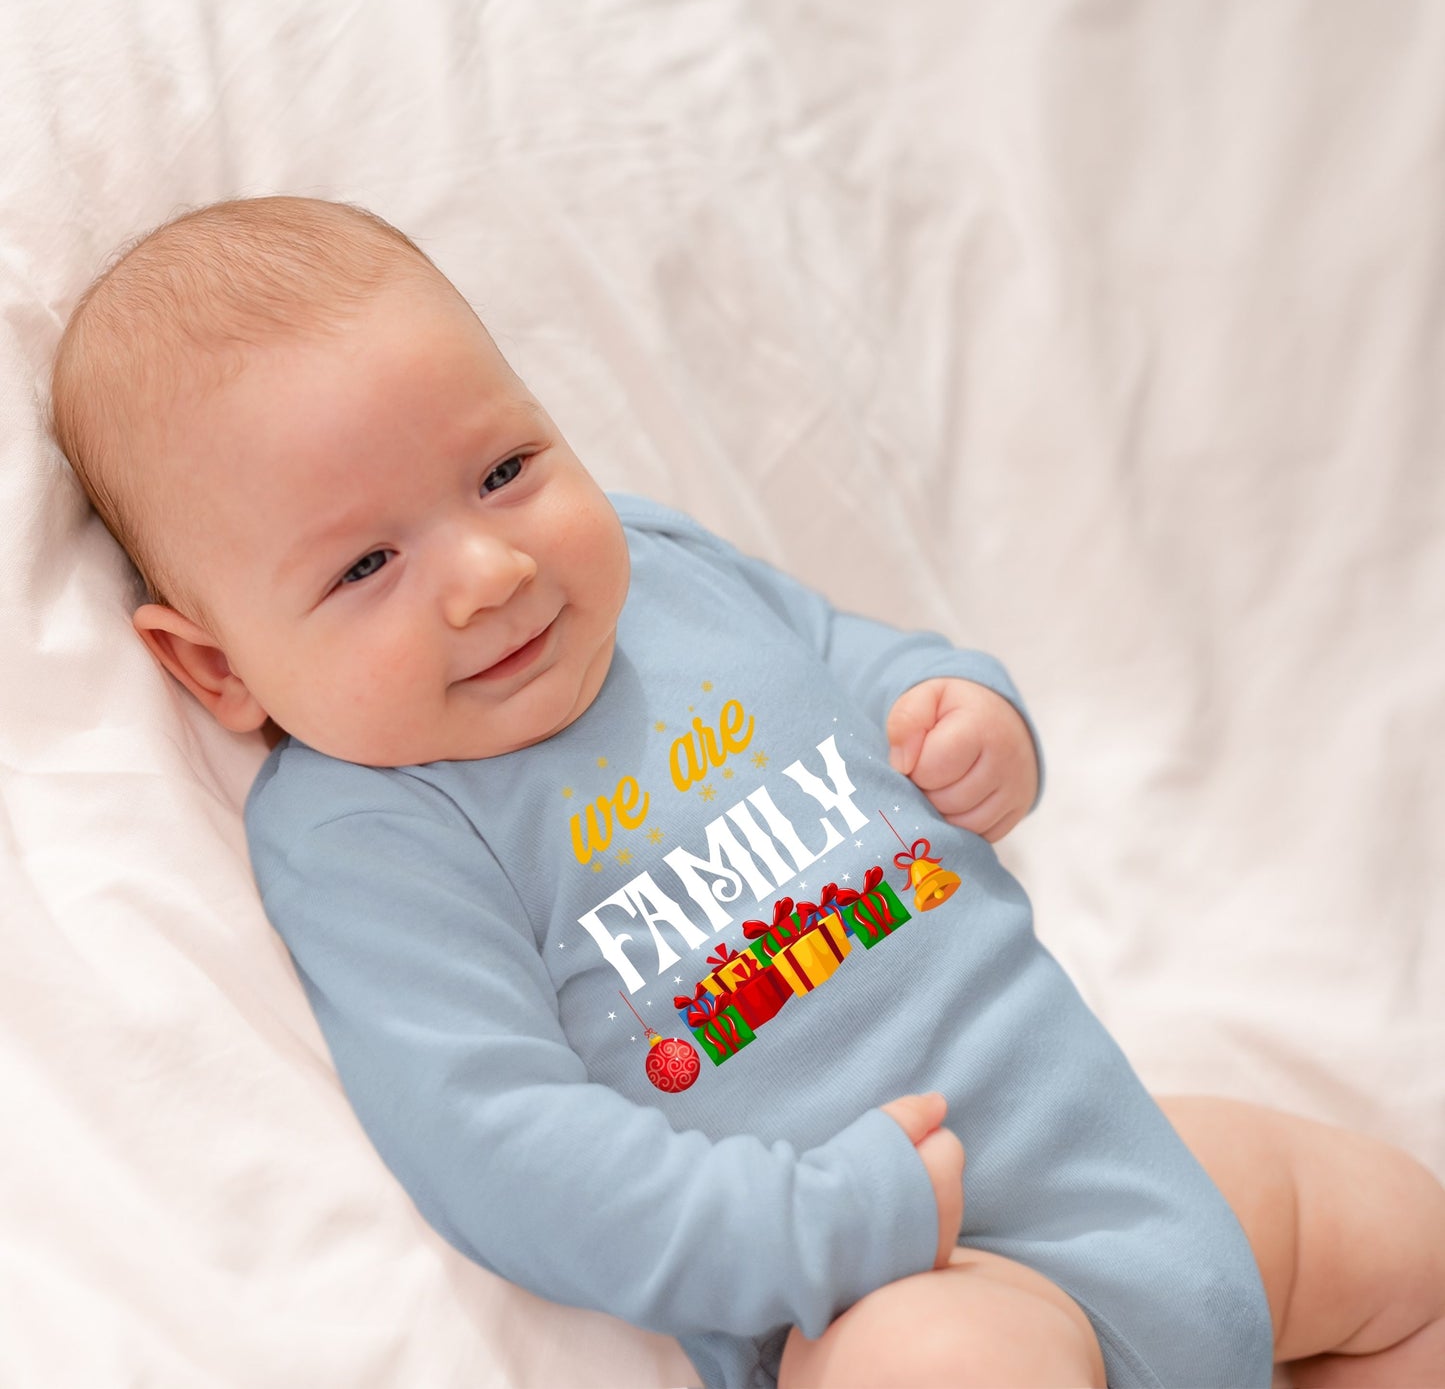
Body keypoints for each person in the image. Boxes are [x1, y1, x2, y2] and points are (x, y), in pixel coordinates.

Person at [47, 195, 1445, 1389]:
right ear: (216, 667)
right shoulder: (369, 827)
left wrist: (961, 711)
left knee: (1407, 1239)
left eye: (504, 470)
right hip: (903, 1276)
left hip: (1117, 1158)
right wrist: (814, 1224)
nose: (489, 572)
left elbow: (855, 657)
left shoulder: (660, 569)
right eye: (366, 566)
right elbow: (501, 1145)